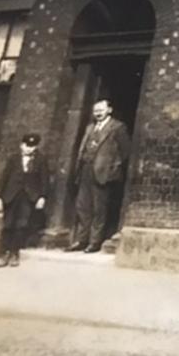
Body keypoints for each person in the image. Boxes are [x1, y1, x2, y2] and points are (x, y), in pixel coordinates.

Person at [67, 99, 131, 253]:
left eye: (101, 109)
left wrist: (112, 169)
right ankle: (82, 240)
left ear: (109, 110)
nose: (98, 113)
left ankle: (94, 242)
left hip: (103, 174)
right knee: (82, 207)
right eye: (96, 110)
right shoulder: (90, 128)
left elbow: (125, 152)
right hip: (85, 171)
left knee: (98, 209)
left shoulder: (117, 127)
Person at [0, 133, 50, 267]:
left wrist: (42, 197)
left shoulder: (41, 160)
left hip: (28, 197)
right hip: (11, 196)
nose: (29, 148)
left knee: (21, 225)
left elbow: (45, 180)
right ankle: (5, 252)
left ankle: (14, 252)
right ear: (21, 145)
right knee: (8, 225)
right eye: (27, 145)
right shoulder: (13, 159)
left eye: (33, 146)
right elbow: (3, 179)